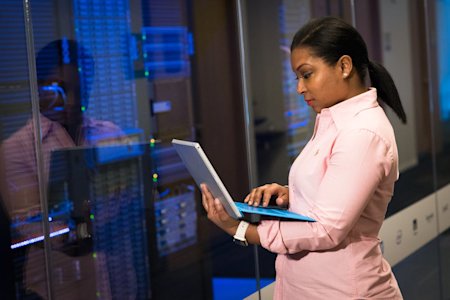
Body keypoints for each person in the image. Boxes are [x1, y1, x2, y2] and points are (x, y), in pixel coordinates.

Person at [201, 16, 406, 299]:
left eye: (306, 74)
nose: (300, 88)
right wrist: (291, 194)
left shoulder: (362, 132)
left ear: (344, 66)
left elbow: (326, 228)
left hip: (344, 290)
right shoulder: (333, 121)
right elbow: (334, 193)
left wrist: (241, 230)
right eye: (297, 78)